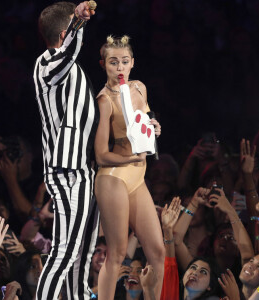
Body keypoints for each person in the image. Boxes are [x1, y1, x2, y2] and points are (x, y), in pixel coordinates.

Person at [33, 2, 99, 299]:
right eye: (71, 27)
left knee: (81, 253)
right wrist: (80, 23)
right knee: (65, 252)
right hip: (69, 168)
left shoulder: (64, 67)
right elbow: (70, 52)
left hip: (84, 167)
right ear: (65, 32)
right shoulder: (48, 65)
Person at [94, 35, 164, 300]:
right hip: (114, 177)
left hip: (137, 176)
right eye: (113, 63)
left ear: (132, 63)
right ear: (104, 65)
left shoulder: (139, 88)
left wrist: (154, 126)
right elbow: (101, 154)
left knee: (157, 251)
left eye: (124, 62)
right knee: (117, 254)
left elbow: (143, 123)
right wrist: (128, 161)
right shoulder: (104, 100)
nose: (119, 67)